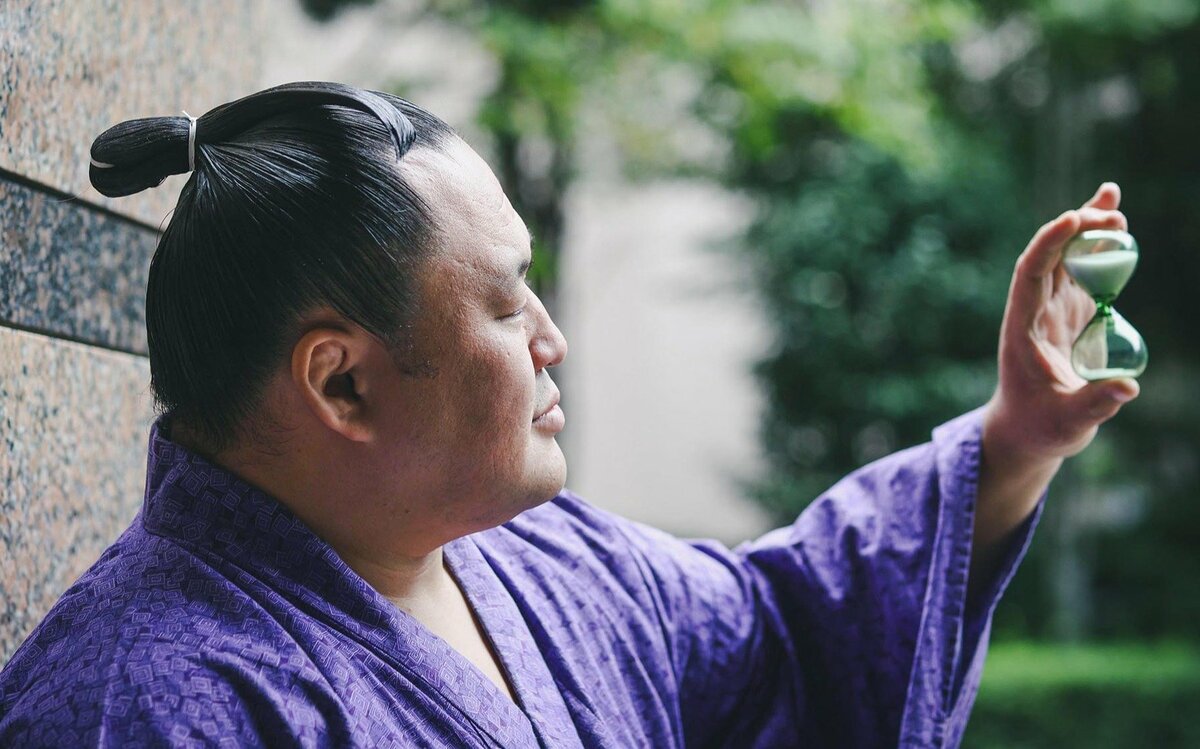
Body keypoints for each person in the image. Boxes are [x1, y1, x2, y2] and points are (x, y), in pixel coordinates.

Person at [0, 82, 1138, 748]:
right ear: (341, 382)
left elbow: (784, 634)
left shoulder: (543, 556)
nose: (552, 337)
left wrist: (1016, 436)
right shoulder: (142, 703)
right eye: (506, 303)